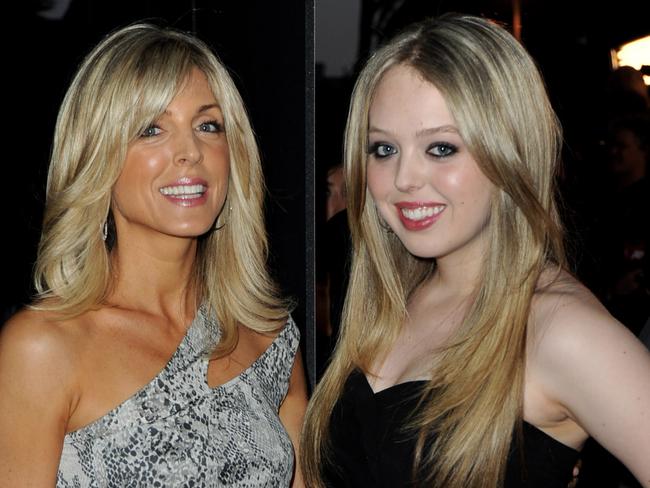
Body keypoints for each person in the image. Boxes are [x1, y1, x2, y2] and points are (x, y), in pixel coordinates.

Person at [301, 14, 650, 488]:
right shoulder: (391, 297)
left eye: (441, 148)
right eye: (383, 149)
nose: (404, 179)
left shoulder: (559, 329)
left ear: (510, 153)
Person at [0, 23, 307, 486]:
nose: (189, 152)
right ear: (97, 157)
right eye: (151, 129)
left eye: (208, 125)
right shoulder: (43, 347)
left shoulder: (269, 336)